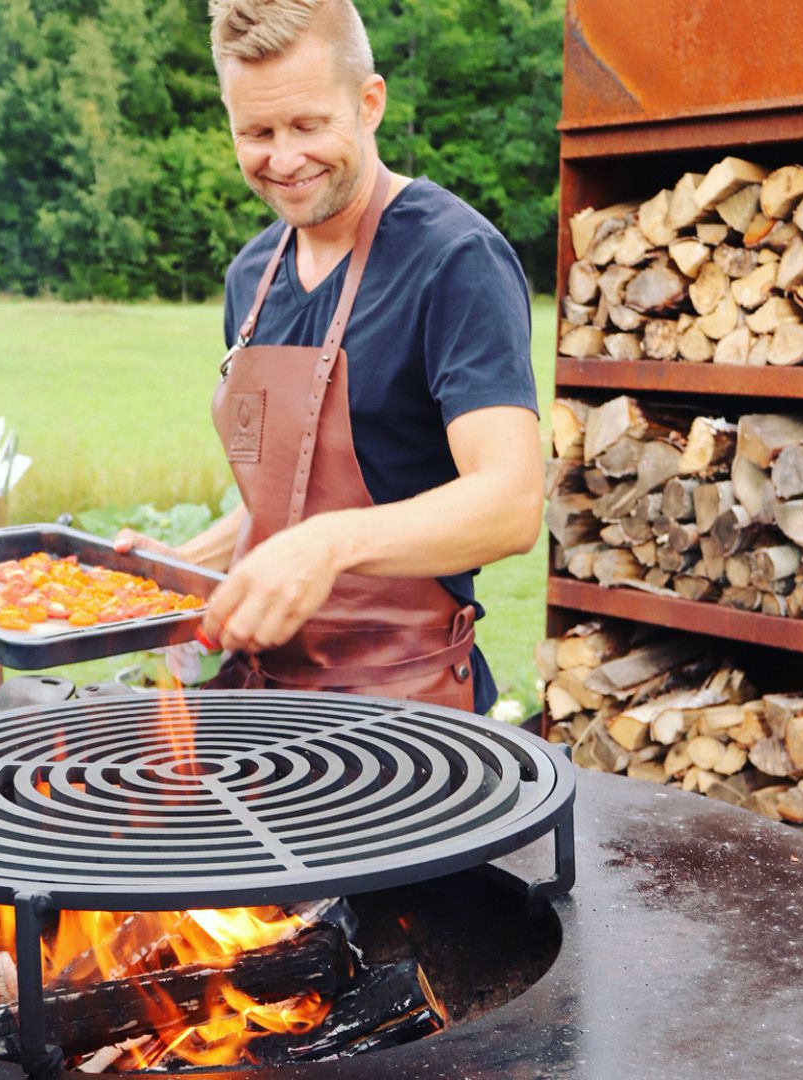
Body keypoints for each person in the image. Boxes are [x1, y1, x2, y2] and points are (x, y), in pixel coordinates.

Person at [116, 0, 542, 714]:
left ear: (369, 103)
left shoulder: (454, 259)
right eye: (256, 132)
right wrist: (185, 566)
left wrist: (326, 546)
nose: (283, 160)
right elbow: (289, 502)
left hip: (408, 714)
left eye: (309, 125)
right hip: (262, 701)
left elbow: (510, 503)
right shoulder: (250, 277)